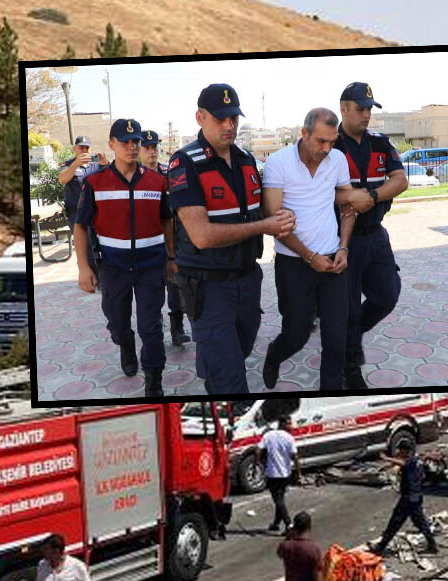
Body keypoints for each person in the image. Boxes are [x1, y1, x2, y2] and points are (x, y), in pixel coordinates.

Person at [167, 83, 296, 395]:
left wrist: (282, 217)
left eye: (234, 118)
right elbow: (202, 236)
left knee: (240, 349)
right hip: (209, 287)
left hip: (247, 280)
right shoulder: (184, 163)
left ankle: (212, 365)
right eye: (220, 118)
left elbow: (262, 209)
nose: (229, 126)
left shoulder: (245, 158)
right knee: (231, 376)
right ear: (200, 117)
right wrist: (264, 226)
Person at [74, 118, 172, 397]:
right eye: (125, 142)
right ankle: (125, 344)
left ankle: (154, 380)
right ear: (112, 144)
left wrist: (172, 257)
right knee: (118, 321)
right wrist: (83, 268)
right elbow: (80, 226)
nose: (132, 147)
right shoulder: (95, 182)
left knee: (150, 326)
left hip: (151, 266)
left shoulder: (157, 182)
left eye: (136, 142)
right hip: (113, 268)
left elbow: (168, 221)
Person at [261, 108, 356, 390]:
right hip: (293, 264)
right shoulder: (278, 163)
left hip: (332, 261)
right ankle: (273, 357)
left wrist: (344, 248)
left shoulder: (337, 159)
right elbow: (274, 218)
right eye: (320, 141)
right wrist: (309, 256)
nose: (326, 149)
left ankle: (331, 393)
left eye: (332, 142)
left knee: (337, 339)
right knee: (296, 335)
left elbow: (347, 206)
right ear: (304, 133)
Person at [332, 82, 409, 388]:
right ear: (344, 108)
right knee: (347, 306)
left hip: (376, 234)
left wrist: (371, 197)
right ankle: (349, 366)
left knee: (387, 295)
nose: (366, 115)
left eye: (369, 110)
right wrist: (351, 199)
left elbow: (400, 180)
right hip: (342, 238)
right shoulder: (330, 145)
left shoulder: (380, 142)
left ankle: (351, 335)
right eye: (360, 109)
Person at [140, 129, 192, 348]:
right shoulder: (135, 177)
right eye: (147, 148)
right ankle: (154, 327)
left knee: (175, 285)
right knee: (151, 290)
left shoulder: (169, 172)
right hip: (147, 239)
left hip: (173, 237)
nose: (152, 152)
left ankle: (177, 328)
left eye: (155, 147)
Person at [372, 439, 439, 555]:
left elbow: (403, 463)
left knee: (395, 522)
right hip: (417, 496)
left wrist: (386, 458)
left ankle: (380, 547)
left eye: (400, 450)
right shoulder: (417, 459)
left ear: (405, 450)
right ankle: (432, 545)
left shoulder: (411, 461)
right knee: (421, 522)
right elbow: (401, 462)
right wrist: (387, 466)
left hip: (408, 498)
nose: (398, 452)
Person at [59, 135, 106, 276]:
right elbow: (62, 180)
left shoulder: (96, 165)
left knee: (97, 244)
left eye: (87, 147)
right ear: (75, 149)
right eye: (81, 147)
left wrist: (105, 165)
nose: (84, 150)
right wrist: (75, 165)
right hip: (76, 214)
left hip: (96, 213)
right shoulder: (68, 165)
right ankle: (92, 276)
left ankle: (99, 275)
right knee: (85, 246)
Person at [258, 414, 300, 534]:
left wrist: (258, 463)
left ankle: (289, 525)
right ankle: (276, 524)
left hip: (272, 474)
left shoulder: (268, 436)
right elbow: (295, 457)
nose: (290, 426)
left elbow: (258, 450)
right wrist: (298, 473)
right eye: (288, 423)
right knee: (280, 499)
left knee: (278, 500)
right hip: (285, 474)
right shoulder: (289, 438)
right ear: (281, 424)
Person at [277, 512, 324, 581]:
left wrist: (289, 536)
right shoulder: (313, 549)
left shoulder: (285, 546)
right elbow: (317, 575)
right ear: (309, 527)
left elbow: (279, 553)